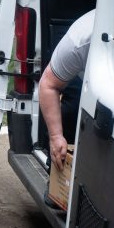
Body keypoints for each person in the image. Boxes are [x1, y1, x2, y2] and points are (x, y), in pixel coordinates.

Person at [39, 10, 94, 171]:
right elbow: (48, 85)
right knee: (69, 114)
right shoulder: (80, 40)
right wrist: (56, 137)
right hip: (81, 76)